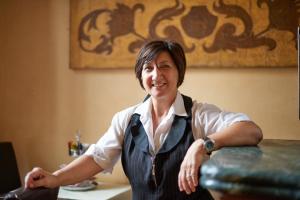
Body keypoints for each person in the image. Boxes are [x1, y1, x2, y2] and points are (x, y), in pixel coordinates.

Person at [25, 40, 263, 200]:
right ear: (141, 76)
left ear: (179, 72)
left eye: (165, 66)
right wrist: (54, 178)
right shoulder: (126, 119)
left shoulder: (198, 114)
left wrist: (202, 144)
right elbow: (96, 158)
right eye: (148, 68)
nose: (156, 75)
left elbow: (251, 130)